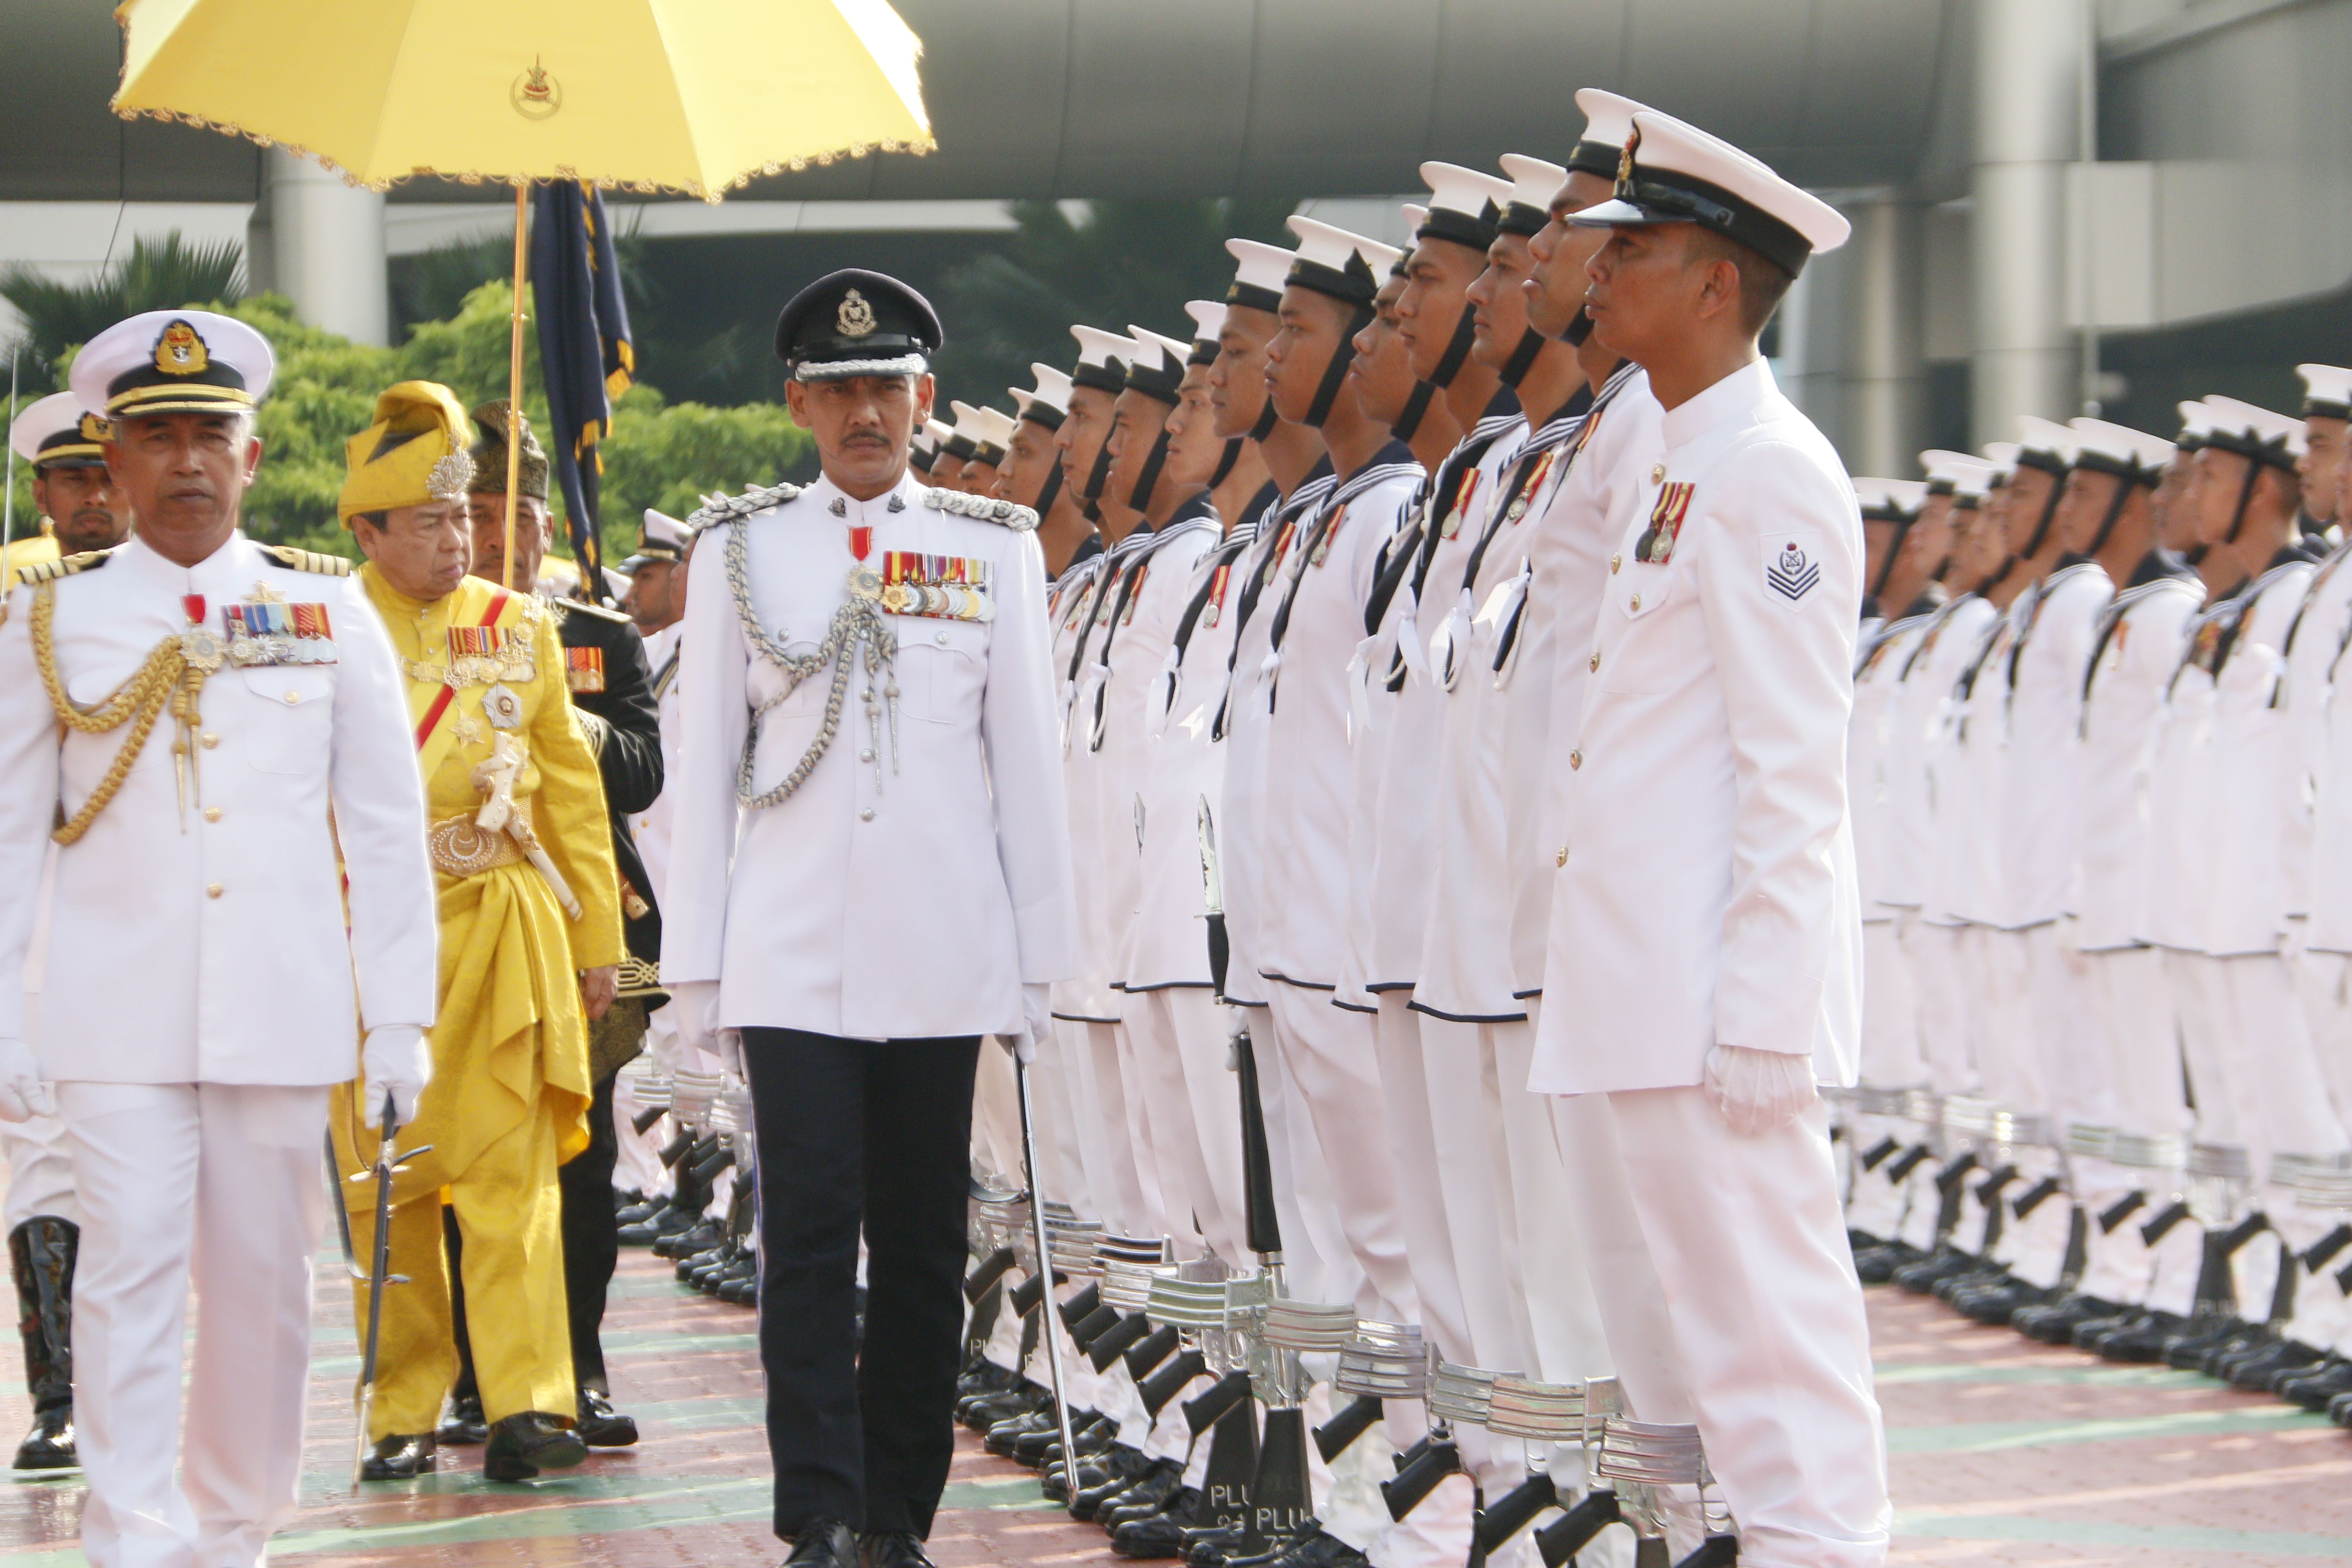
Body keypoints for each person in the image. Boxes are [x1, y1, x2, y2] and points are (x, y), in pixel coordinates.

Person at [0, 309, 437, 1568]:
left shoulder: (325, 613)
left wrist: (397, 1014)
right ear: (114, 465)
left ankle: (234, 1534)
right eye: (159, 440)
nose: (187, 461)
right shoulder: (50, 628)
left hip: (282, 1011)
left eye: (212, 436)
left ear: (251, 460)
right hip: (113, 1014)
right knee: (125, 1276)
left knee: (263, 1288)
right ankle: (132, 1539)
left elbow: (385, 830)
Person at [662, 270, 1076, 1568]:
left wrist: (1044, 971)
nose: (865, 412)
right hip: (789, 965)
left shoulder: (993, 550)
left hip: (943, 958)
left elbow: (1032, 772)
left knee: (921, 1244)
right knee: (805, 1245)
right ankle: (823, 1511)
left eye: (886, 388)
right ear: (799, 403)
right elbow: (699, 781)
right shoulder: (738, 554)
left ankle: (901, 1512)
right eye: (839, 389)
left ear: (925, 400)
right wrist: (695, 982)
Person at [1534, 111, 1892, 1565]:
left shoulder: (1771, 470)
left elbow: (1794, 768)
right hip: (1640, 988)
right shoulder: (1674, 456)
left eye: (1638, 251)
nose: (1598, 273)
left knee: (1773, 1345)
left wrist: (1762, 1012)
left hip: (1710, 1007)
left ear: (1716, 285)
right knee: (1698, 1344)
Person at [337, 381, 625, 1483]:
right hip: (368, 940)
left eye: (466, 518)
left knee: (514, 1181)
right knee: (391, 1187)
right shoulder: (329, 628)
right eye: (431, 522)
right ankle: (403, 1408)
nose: (460, 540)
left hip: (502, 926)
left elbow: (568, 788)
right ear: (366, 531)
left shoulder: (518, 628)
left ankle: (531, 1404)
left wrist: (595, 936)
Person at [428, 401, 664, 1450]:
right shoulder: (421, 628)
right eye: (478, 511)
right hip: (464, 918)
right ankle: (484, 1375)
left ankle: (582, 1367)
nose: (497, 535)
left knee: (580, 1152)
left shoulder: (596, 636)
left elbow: (645, 771)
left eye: (516, 513)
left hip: (587, 926)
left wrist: (553, 718)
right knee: (469, 1149)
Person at [0, 389, 134, 1472]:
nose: (94, 498)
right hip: (39, 897)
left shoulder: (183, 595)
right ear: (42, 493)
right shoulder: (12, 595)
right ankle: (60, 1395)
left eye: (106, 475)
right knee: (41, 1144)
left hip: (156, 899)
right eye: (73, 480)